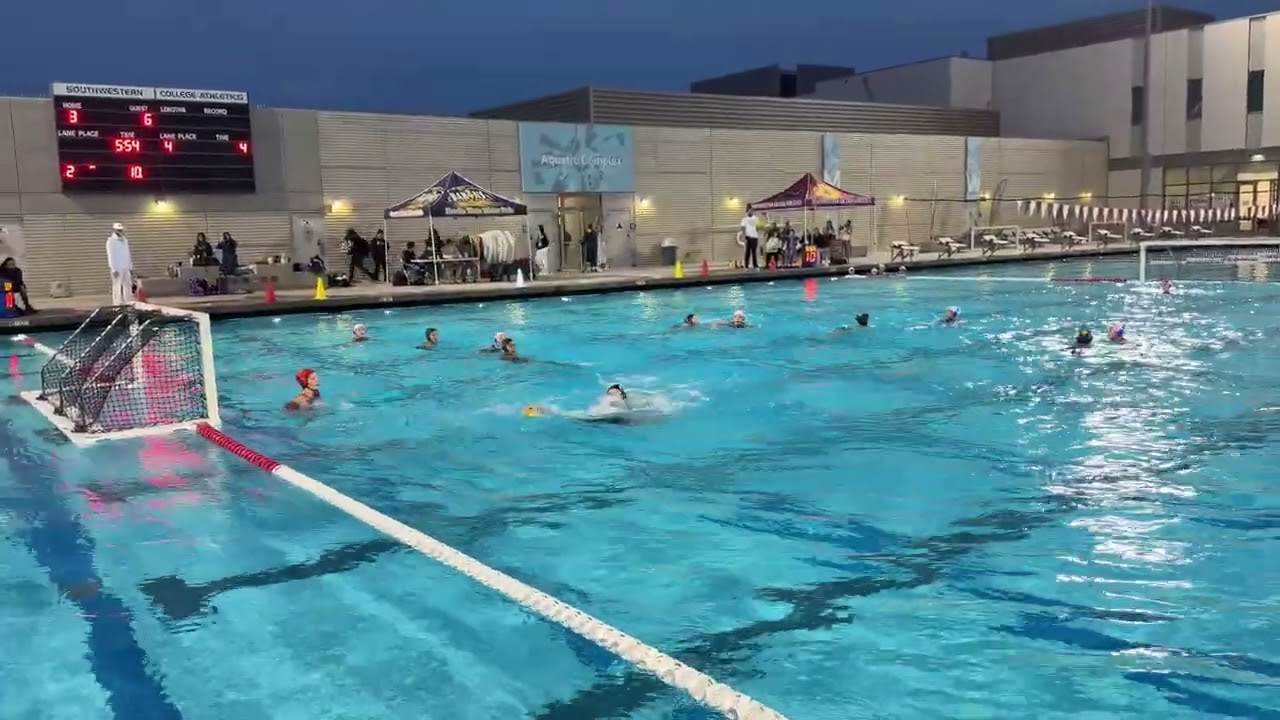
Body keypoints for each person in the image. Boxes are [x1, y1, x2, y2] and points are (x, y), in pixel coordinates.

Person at [106, 222, 134, 305]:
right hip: (117, 267)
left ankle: (128, 301)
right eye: (119, 230)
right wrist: (113, 268)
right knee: (117, 285)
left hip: (126, 266)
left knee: (127, 285)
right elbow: (110, 255)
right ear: (114, 230)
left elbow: (128, 253)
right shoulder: (111, 241)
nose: (121, 232)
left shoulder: (125, 240)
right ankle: (117, 303)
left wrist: (130, 267)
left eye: (121, 230)